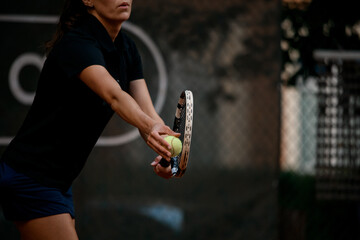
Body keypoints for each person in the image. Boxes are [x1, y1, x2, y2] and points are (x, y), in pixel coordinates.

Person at [0, 0, 178, 239]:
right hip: (30, 178)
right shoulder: (77, 44)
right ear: (88, 0)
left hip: (57, 182)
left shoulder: (127, 48)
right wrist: (150, 127)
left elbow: (147, 115)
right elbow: (114, 96)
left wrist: (165, 152)